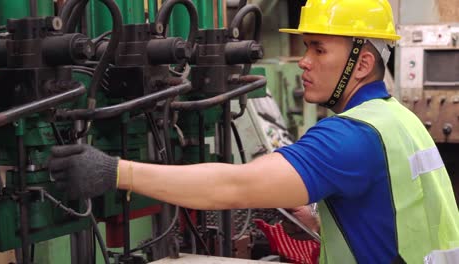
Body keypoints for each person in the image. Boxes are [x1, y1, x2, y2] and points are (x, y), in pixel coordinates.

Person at [48, 0, 459, 263]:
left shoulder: (350, 137)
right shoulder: (395, 118)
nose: (303, 61)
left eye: (318, 48)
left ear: (363, 63)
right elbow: (397, 215)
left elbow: (233, 186)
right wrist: (319, 218)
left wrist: (115, 172)